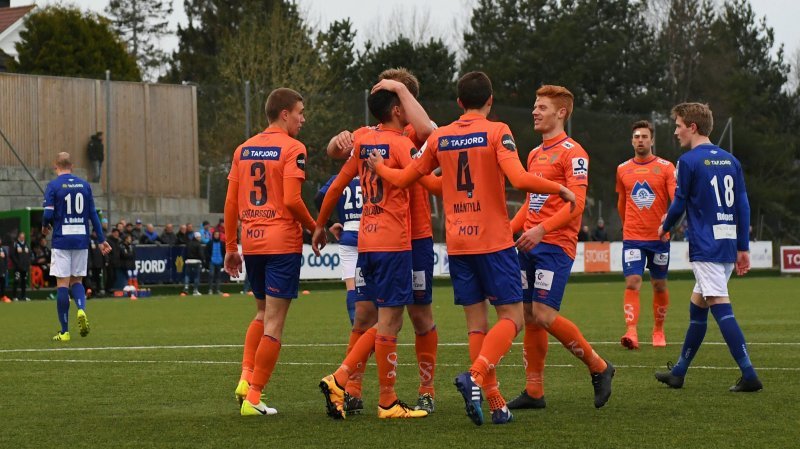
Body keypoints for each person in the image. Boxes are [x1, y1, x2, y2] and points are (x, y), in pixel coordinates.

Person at [368, 72, 576, 425]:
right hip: (493, 242)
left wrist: (381, 168)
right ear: (490, 101)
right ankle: (475, 376)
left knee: (476, 326)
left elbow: (411, 180)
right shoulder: (497, 131)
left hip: (458, 244)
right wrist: (560, 190)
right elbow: (519, 179)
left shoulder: (442, 137)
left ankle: (495, 402)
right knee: (511, 319)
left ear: (459, 103)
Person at [315, 86, 441, 420]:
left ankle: (424, 391)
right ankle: (354, 389)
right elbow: (334, 155)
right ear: (396, 108)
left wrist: (318, 223)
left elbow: (428, 131)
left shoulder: (413, 129)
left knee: (416, 316)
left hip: (400, 240)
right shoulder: (381, 138)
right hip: (394, 242)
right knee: (375, 317)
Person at [506, 85, 615, 412]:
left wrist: (541, 229)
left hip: (554, 245)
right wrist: (506, 234)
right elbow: (530, 203)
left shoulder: (574, 152)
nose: (535, 112)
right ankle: (534, 391)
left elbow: (577, 204)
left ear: (561, 112)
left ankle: (599, 366)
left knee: (543, 313)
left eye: (542, 107)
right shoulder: (534, 154)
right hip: (529, 243)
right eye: (535, 106)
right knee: (528, 314)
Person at [655, 102, 762, 392]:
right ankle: (678, 372)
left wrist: (665, 226)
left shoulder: (688, 161)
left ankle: (749, 374)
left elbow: (678, 204)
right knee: (698, 305)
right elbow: (743, 205)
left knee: (718, 303)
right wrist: (742, 247)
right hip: (726, 241)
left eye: (678, 126)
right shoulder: (731, 160)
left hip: (706, 243)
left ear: (692, 127)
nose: (676, 132)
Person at [224, 87, 316, 417]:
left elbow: (231, 202)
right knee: (275, 323)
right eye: (300, 112)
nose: (303, 118)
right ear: (284, 114)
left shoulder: (243, 149)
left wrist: (231, 247)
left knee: (262, 314)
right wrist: (314, 225)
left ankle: (245, 378)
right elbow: (292, 200)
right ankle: (254, 397)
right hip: (281, 244)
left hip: (252, 242)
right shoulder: (294, 148)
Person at [615, 120, 676, 349]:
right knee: (633, 281)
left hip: (659, 238)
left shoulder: (666, 167)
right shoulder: (622, 169)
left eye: (644, 136)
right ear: (632, 141)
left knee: (659, 284)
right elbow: (622, 201)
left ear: (652, 140)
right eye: (636, 136)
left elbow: (675, 199)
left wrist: (668, 220)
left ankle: (658, 331)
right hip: (633, 237)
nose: (640, 140)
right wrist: (625, 224)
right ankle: (631, 332)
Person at [42, 152, 110, 341]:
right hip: (81, 238)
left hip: (62, 239)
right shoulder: (84, 185)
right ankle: (81, 309)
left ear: (56, 166)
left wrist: (44, 227)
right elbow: (93, 215)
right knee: (77, 281)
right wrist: (101, 239)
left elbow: (48, 215)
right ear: (71, 166)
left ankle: (64, 332)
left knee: (62, 284)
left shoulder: (54, 185)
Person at [315, 174, 361, 324]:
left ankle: (357, 331)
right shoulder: (374, 172)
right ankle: (376, 335)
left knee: (352, 286)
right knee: (375, 286)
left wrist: (329, 224)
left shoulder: (339, 177)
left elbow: (318, 198)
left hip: (348, 233)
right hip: (373, 234)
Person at [10, 232, 31, 301]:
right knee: (16, 280)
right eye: (21, 237)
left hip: (25, 267)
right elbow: (12, 255)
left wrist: (28, 264)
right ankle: (14, 296)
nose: (22, 238)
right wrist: (17, 263)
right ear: (19, 237)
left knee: (24, 282)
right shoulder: (15, 244)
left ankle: (23, 296)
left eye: (23, 237)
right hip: (18, 267)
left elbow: (29, 255)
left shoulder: (26, 245)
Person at [206, 230, 225, 294]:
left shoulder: (222, 243)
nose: (216, 236)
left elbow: (224, 252)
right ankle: (210, 289)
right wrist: (210, 258)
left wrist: (223, 260)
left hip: (219, 261)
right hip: (212, 261)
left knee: (218, 276)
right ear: (213, 235)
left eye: (217, 234)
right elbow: (207, 252)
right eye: (215, 234)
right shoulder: (210, 243)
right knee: (211, 275)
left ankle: (218, 290)